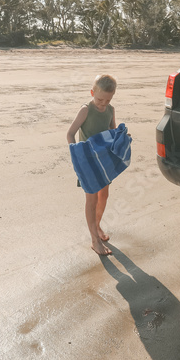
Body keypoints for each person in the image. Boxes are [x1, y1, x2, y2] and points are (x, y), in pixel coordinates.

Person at [67, 74, 118, 256]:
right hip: (87, 161)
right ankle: (95, 240)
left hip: (104, 161)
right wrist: (76, 154)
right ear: (92, 93)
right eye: (99, 99)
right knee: (92, 199)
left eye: (107, 100)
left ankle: (97, 226)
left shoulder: (110, 110)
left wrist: (121, 137)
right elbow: (70, 133)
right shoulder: (86, 110)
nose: (103, 104)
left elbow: (112, 131)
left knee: (104, 195)